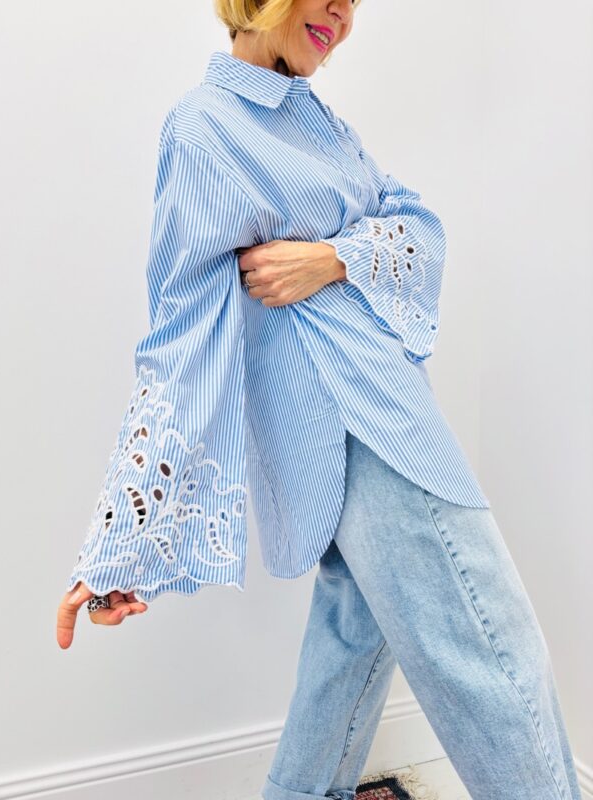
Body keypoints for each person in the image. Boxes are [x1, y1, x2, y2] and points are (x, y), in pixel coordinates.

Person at [55, 2, 583, 798]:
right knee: (490, 650)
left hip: (380, 407)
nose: (343, 10)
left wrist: (332, 257)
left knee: (351, 646)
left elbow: (419, 227)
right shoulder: (205, 129)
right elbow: (180, 341)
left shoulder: (321, 123)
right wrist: (120, 543)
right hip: (362, 423)